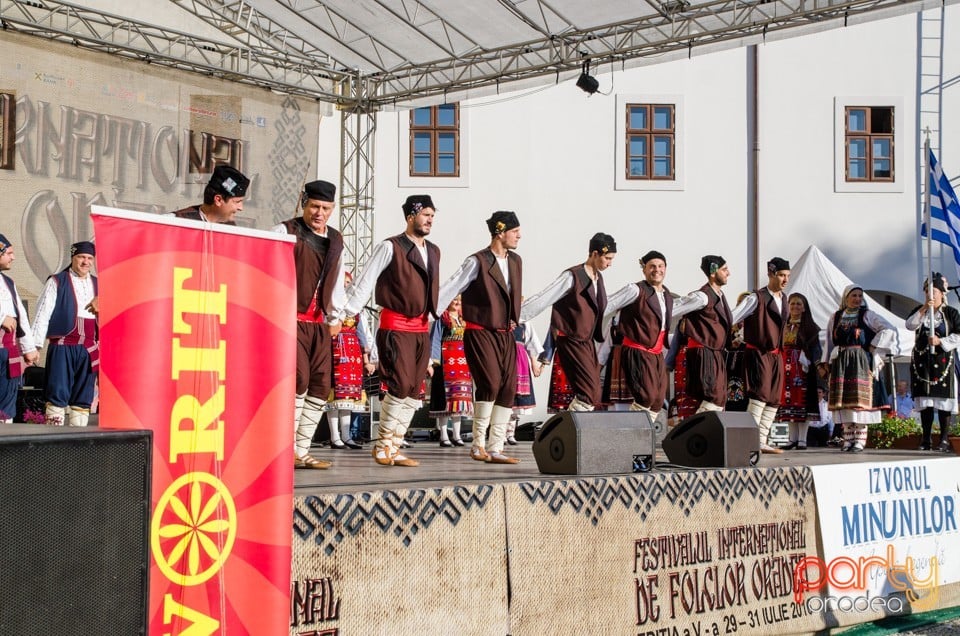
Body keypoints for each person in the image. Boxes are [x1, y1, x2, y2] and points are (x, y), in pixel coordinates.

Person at [340, 195, 440, 467]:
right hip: (396, 326)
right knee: (400, 384)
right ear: (411, 216)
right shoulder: (391, 246)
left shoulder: (433, 251)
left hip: (421, 328)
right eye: (425, 214)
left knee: (414, 390)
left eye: (432, 215)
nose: (430, 219)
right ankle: (383, 445)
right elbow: (366, 279)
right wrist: (347, 311)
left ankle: (394, 446)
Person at [437, 211, 523, 463]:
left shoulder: (516, 261)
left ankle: (495, 447)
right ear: (500, 231)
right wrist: (430, 312)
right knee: (490, 383)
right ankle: (477, 445)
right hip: (480, 331)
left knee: (508, 388)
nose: (519, 235)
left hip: (506, 333)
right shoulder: (478, 261)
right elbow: (451, 286)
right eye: (514, 230)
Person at [272, 180, 345, 470]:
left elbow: (337, 277)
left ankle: (301, 451)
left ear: (332, 209)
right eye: (314, 206)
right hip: (291, 320)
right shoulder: (285, 231)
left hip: (319, 324)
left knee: (320, 384)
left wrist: (335, 316)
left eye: (325, 208)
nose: (319, 213)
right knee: (298, 380)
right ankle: (285, 449)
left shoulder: (337, 239)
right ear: (305, 203)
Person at [520, 233, 616, 411]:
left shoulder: (598, 278)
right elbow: (546, 297)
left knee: (593, 393)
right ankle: (572, 429)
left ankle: (574, 428)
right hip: (571, 338)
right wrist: (518, 315)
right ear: (595, 254)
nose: (610, 263)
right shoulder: (573, 276)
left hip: (586, 341)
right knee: (588, 393)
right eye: (608, 258)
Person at [603, 250, 699, 420]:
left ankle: (643, 435)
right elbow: (608, 304)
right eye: (652, 266)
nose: (657, 270)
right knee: (645, 396)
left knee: (657, 400)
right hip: (637, 350)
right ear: (644, 270)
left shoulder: (667, 296)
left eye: (660, 266)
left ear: (666, 268)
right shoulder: (635, 290)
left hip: (656, 354)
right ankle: (633, 434)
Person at [32, 241, 99, 427]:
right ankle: (53, 441)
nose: (86, 262)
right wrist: (34, 346)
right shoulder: (57, 281)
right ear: (72, 258)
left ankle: (77, 444)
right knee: (57, 394)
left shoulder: (98, 284)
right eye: (81, 257)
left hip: (89, 348)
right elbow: (42, 313)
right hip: (63, 345)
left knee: (83, 398)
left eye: (89, 258)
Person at [824, 284, 897, 452]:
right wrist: (825, 362)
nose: (857, 299)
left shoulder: (867, 315)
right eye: (854, 295)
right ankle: (848, 439)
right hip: (841, 361)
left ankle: (860, 440)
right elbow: (829, 341)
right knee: (845, 403)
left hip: (860, 361)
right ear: (846, 297)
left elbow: (889, 329)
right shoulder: (835, 317)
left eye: (859, 296)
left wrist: (873, 345)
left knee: (860, 401)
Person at [730, 257, 792, 454]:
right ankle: (751, 440)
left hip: (776, 354)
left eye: (787, 276)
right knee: (760, 395)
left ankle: (761, 440)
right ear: (771, 274)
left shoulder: (785, 299)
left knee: (774, 398)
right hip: (758, 352)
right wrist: (738, 335)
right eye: (781, 275)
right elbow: (732, 317)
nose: (785, 280)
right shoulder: (757, 298)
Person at [905, 273, 960, 451]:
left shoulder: (951, 313)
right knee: (926, 401)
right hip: (922, 363)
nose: (931, 295)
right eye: (927, 292)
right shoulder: (919, 311)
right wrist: (922, 309)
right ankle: (926, 438)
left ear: (942, 294)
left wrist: (940, 342)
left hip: (944, 361)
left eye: (934, 292)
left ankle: (943, 439)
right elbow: (909, 325)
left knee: (943, 401)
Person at [679, 255, 734, 415]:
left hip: (714, 352)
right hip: (703, 351)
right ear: (712, 272)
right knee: (713, 396)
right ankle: (692, 431)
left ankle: (704, 434)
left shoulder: (720, 296)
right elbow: (672, 308)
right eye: (724, 269)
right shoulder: (702, 296)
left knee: (720, 397)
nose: (728, 273)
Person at [328, 271, 376, 450]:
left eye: (348, 282)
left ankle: (346, 436)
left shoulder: (356, 308)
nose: (346, 285)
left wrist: (366, 359)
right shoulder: (331, 303)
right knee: (335, 394)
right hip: (335, 349)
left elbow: (363, 334)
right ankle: (335, 436)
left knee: (348, 396)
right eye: (343, 282)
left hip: (352, 350)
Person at [0, 235, 40, 421]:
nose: (13, 258)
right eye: (9, 253)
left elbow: (21, 318)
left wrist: (29, 348)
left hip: (9, 351)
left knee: (7, 404)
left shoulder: (8, 282)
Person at [777, 293, 822, 450]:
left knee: (802, 401)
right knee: (787, 401)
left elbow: (817, 349)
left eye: (798, 304)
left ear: (804, 307)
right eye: (792, 304)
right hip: (784, 365)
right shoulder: (783, 325)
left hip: (802, 368)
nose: (795, 306)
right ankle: (792, 438)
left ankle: (802, 439)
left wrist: (810, 360)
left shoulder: (810, 327)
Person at [429, 296, 472, 448]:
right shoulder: (442, 318)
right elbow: (434, 339)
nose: (457, 302)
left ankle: (457, 434)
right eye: (454, 299)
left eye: (460, 300)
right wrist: (434, 362)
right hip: (445, 362)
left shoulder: (464, 319)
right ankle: (443, 435)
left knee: (459, 399)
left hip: (461, 363)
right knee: (444, 400)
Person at [171, 165, 249, 224]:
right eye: (237, 201)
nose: (241, 208)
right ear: (218, 200)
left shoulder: (232, 231)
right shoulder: (176, 222)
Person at [509, 317, 543, 444]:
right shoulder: (500, 316)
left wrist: (534, 364)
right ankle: (500, 434)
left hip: (520, 360)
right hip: (505, 357)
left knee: (517, 399)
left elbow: (532, 344)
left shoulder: (524, 322)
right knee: (504, 396)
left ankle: (510, 433)